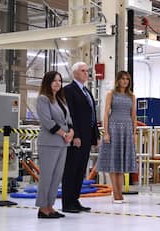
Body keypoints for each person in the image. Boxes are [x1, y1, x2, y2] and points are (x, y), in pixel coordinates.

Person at [62, 62, 100, 213]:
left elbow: (92, 115)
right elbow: (70, 115)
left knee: (80, 170)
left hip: (87, 137)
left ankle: (75, 200)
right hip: (76, 137)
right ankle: (67, 202)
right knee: (71, 169)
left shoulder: (87, 91)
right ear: (75, 73)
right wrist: (75, 135)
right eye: (83, 71)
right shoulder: (69, 90)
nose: (86, 74)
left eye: (87, 71)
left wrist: (95, 135)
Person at [35, 71, 74, 218]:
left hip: (63, 144)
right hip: (49, 143)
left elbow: (68, 120)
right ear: (48, 82)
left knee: (57, 177)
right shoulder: (43, 99)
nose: (58, 83)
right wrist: (64, 134)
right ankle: (42, 208)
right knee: (47, 176)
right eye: (54, 80)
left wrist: (71, 132)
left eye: (60, 80)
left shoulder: (61, 100)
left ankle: (50, 206)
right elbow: (48, 122)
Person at [97, 70, 138, 203]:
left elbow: (133, 115)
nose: (125, 81)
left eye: (127, 79)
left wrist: (134, 132)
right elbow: (106, 113)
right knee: (113, 161)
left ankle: (120, 192)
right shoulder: (111, 94)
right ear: (118, 80)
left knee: (121, 163)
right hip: (114, 128)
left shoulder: (132, 96)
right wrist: (106, 132)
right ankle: (116, 193)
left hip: (126, 129)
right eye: (122, 79)